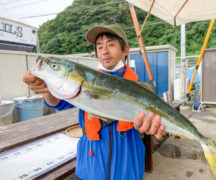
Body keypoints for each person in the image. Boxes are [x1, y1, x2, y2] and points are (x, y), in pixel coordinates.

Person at [23, 24, 165, 180]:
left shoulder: (139, 88)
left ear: (125, 50)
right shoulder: (85, 81)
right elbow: (57, 102)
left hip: (127, 162)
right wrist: (46, 89)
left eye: (111, 44)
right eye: (99, 47)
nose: (104, 51)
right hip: (91, 162)